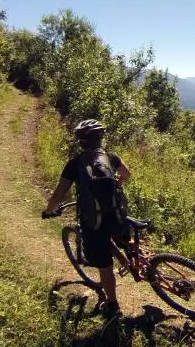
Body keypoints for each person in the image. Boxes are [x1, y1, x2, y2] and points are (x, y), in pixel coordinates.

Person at [42, 119, 131, 319]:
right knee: (126, 240)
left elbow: (59, 194)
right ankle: (142, 264)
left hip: (93, 220)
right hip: (117, 214)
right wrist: (116, 185)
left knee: (105, 266)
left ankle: (112, 305)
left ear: (81, 141)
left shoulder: (74, 164)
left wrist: (48, 211)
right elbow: (126, 174)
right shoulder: (111, 157)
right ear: (101, 138)